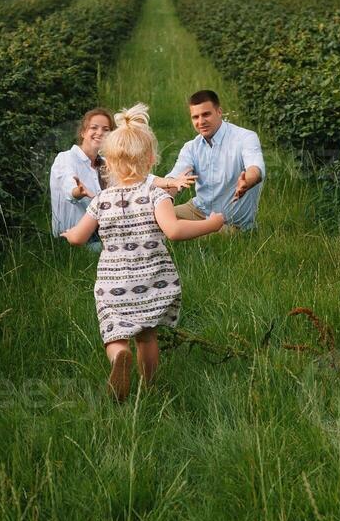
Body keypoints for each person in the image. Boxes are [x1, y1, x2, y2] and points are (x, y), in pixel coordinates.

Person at [62, 104, 225, 401]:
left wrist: (69, 234)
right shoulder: (156, 194)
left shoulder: (102, 200)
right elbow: (174, 231)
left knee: (114, 333)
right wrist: (210, 225)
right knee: (147, 335)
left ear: (107, 164)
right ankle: (148, 387)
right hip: (151, 282)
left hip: (113, 285)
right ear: (151, 160)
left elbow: (79, 237)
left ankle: (118, 357)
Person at [155, 89, 265, 231]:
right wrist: (157, 197)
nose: (201, 122)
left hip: (230, 223)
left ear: (219, 112)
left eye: (206, 114)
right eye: (195, 117)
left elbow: (255, 169)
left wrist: (247, 182)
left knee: (197, 235)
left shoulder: (245, 138)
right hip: (198, 211)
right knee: (155, 219)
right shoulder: (191, 147)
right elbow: (175, 177)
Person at [49, 107, 112, 249]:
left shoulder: (107, 164)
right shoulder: (65, 158)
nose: (100, 133)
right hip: (73, 237)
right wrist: (77, 192)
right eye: (94, 128)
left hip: (103, 232)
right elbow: (68, 185)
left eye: (106, 129)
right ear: (83, 132)